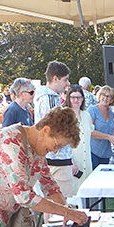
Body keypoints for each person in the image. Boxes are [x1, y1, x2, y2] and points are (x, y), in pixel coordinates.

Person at [33, 60, 75, 197]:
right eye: (65, 80)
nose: (67, 84)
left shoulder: (46, 97)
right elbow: (54, 129)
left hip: (54, 158)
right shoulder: (49, 98)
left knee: (53, 206)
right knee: (62, 206)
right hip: (57, 159)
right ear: (55, 78)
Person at [64, 85, 94, 192]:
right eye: (73, 97)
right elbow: (63, 143)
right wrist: (71, 162)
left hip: (87, 162)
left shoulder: (86, 116)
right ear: (69, 98)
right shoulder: (65, 117)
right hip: (72, 163)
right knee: (73, 195)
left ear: (82, 99)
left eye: (79, 97)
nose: (76, 100)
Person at [87, 85, 114, 168]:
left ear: (112, 99)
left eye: (108, 96)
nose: (105, 98)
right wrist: (108, 137)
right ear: (99, 96)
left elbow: (111, 131)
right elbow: (89, 131)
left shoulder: (111, 113)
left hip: (106, 153)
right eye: (103, 95)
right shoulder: (92, 110)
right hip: (93, 152)